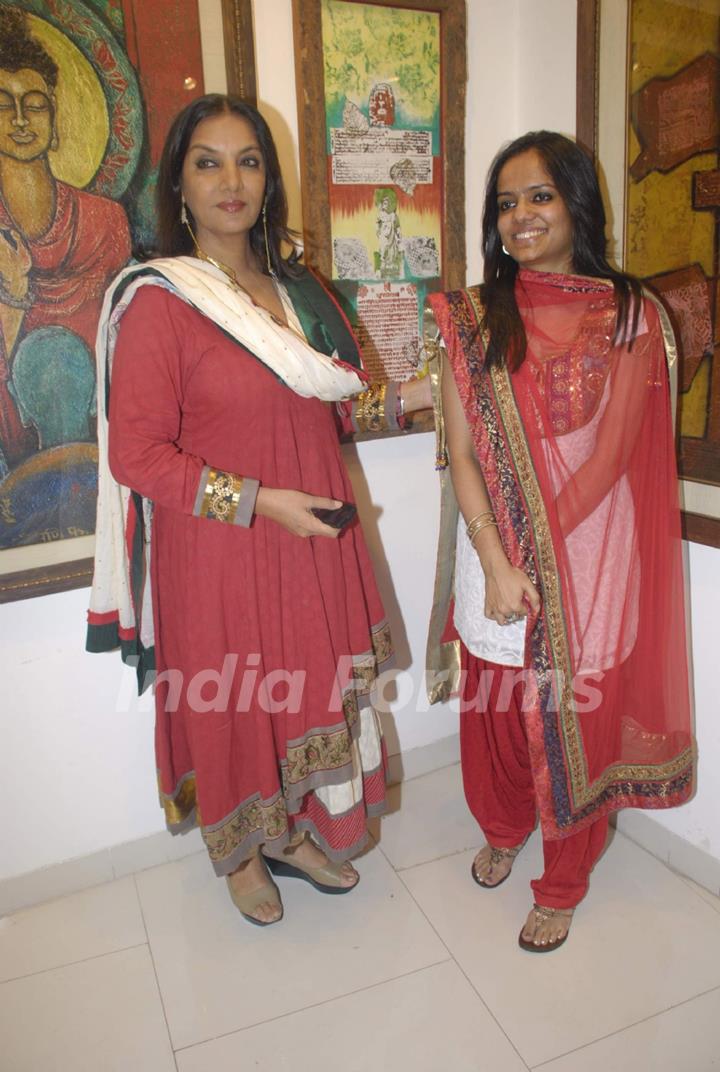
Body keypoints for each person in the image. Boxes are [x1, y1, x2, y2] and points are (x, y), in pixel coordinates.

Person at [87, 94, 430, 926]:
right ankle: (241, 850)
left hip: (309, 536)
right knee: (239, 700)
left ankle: (292, 832)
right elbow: (136, 455)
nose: (230, 180)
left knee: (304, 690)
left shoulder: (298, 289)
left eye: (248, 161)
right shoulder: (161, 300)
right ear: (178, 185)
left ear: (268, 180)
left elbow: (333, 408)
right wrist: (260, 501)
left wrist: (415, 398)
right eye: (208, 161)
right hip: (222, 549)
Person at [425, 131, 695, 951]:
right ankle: (504, 826)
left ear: (577, 202)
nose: (520, 216)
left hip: (590, 554)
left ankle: (565, 879)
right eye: (505, 203)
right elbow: (463, 451)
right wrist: (499, 556)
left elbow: (612, 456)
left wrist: (532, 551)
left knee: (575, 714)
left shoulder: (633, 315)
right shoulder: (474, 316)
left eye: (539, 195)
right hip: (492, 551)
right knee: (499, 707)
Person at [0, 7, 131, 468]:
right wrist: (14, 295)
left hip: (101, 426)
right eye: (2, 104)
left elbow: (128, 336)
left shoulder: (104, 221)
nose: (20, 119)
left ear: (56, 117)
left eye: (34, 103)